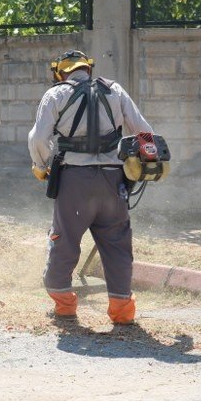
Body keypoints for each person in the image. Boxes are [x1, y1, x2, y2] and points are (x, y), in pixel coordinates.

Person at [28, 49, 155, 324]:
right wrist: (149, 161)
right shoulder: (115, 90)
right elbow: (143, 131)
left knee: (64, 242)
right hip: (114, 182)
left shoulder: (55, 94)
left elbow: (38, 138)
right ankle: (122, 312)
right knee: (118, 245)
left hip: (74, 182)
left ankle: (64, 307)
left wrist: (41, 167)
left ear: (61, 72)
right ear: (88, 69)